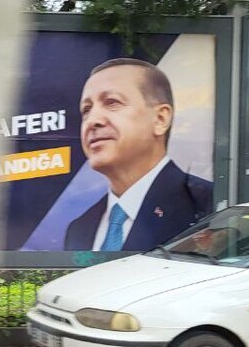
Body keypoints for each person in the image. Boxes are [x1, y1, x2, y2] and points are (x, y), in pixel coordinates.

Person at [64, 58, 212, 252]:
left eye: (112, 102)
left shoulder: (206, 208)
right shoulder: (79, 229)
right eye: (86, 109)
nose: (93, 120)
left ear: (160, 119)